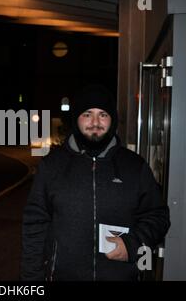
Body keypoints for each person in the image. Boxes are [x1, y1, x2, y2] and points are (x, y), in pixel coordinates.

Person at [21, 85, 170, 281]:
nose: (95, 122)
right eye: (87, 114)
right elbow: (34, 225)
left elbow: (158, 216)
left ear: (112, 120)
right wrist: (32, 280)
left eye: (103, 115)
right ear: (76, 118)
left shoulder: (135, 166)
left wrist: (133, 244)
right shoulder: (51, 166)